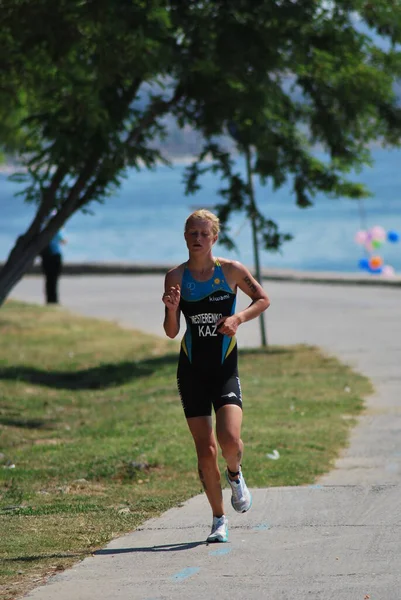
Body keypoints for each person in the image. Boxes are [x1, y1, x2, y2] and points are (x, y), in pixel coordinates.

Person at [162, 209, 270, 543]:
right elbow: (171, 332)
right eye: (192, 233)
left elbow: (263, 299)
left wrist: (238, 318)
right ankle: (218, 519)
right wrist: (170, 308)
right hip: (191, 369)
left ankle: (235, 475)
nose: (197, 239)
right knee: (204, 449)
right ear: (184, 237)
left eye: (203, 233)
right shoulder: (175, 277)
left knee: (228, 439)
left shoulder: (232, 271)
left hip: (224, 367)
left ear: (214, 237)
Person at [40, 228, 67, 304]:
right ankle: (54, 299)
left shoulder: (44, 230)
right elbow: (63, 241)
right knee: (54, 279)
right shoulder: (57, 230)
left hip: (45, 256)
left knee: (48, 279)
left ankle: (49, 299)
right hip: (55, 255)